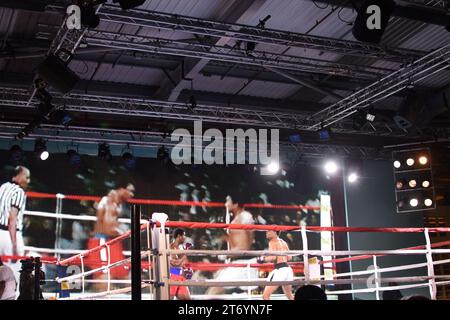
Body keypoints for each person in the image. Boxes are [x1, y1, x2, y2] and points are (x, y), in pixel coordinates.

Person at [85, 182, 135, 291]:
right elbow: (107, 229)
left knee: (123, 274)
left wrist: (123, 230)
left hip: (112, 241)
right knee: (104, 278)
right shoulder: (110, 202)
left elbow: (113, 225)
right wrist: (124, 232)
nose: (132, 195)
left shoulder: (118, 203)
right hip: (102, 241)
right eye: (130, 191)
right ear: (121, 189)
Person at [206, 194, 258, 296]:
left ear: (235, 204)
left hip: (242, 263)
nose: (226, 204)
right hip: (243, 262)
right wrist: (225, 236)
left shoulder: (240, 219)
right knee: (217, 289)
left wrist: (225, 254)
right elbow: (240, 241)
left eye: (228, 201)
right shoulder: (242, 217)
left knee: (213, 291)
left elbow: (244, 247)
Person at [0, 166, 30, 262]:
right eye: (27, 177)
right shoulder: (19, 192)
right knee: (15, 270)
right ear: (19, 176)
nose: (28, 181)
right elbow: (12, 219)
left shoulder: (3, 187)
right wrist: (14, 245)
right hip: (9, 235)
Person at [258, 230, 294, 300]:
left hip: (280, 270)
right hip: (288, 270)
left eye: (269, 231)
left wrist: (262, 259)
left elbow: (273, 257)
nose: (266, 232)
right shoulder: (283, 242)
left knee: (265, 296)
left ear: (274, 232)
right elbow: (289, 257)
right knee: (290, 297)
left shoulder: (272, 242)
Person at [169, 228, 192, 300]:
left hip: (180, 276)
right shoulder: (171, 247)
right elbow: (175, 263)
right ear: (179, 236)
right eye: (184, 235)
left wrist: (186, 269)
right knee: (169, 298)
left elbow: (182, 263)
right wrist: (186, 252)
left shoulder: (181, 247)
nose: (185, 238)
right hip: (173, 275)